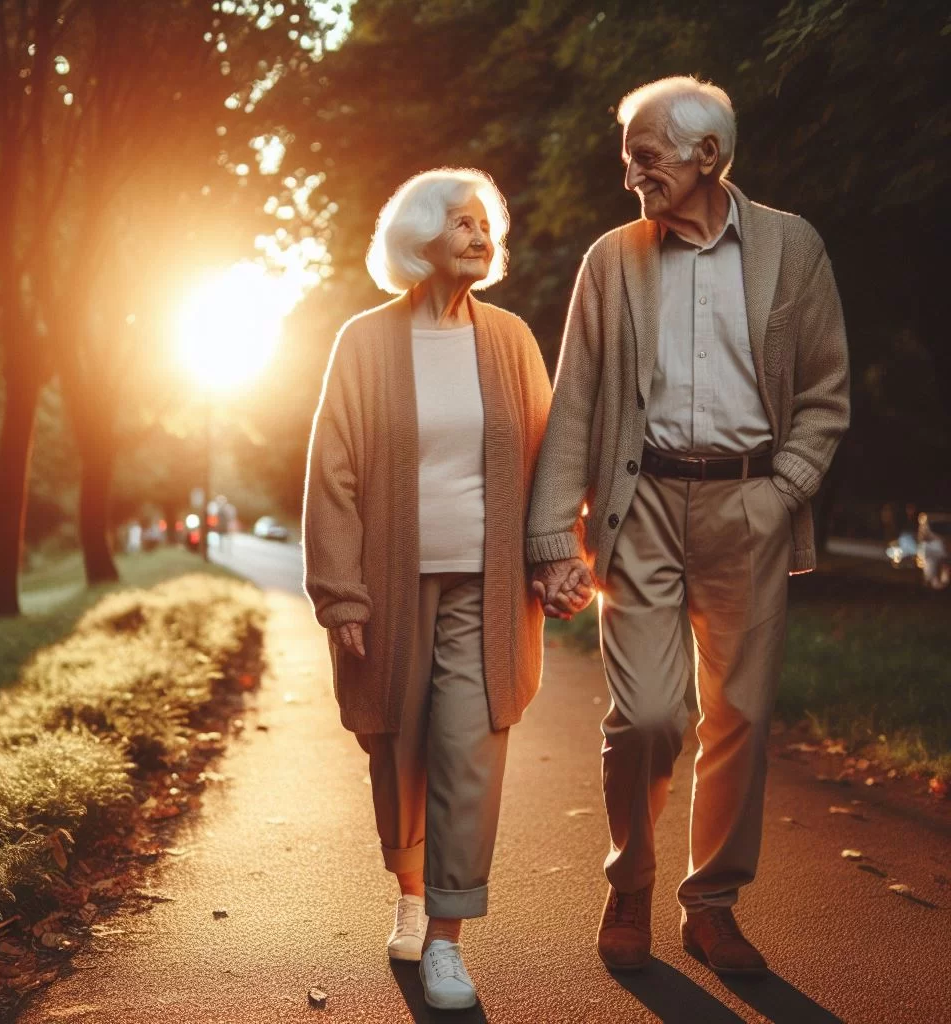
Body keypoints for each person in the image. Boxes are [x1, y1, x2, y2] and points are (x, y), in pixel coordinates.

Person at [527, 76, 850, 976]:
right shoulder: (611, 259)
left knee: (740, 712)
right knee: (649, 716)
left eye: (645, 156)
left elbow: (826, 393)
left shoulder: (793, 248)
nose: (630, 175)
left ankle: (711, 905)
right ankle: (630, 879)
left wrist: (781, 489)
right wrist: (554, 539)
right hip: (641, 506)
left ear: (707, 156)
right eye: (628, 158)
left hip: (750, 502)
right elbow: (577, 406)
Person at [302, 168, 551, 1009]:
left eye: (487, 225)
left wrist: (559, 553)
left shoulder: (511, 339)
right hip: (389, 583)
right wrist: (341, 594)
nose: (483, 237)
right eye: (463, 224)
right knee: (398, 747)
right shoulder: (365, 343)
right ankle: (409, 892)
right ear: (419, 237)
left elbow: (550, 458)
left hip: (489, 587)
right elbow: (332, 471)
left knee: (469, 748)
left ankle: (447, 934)